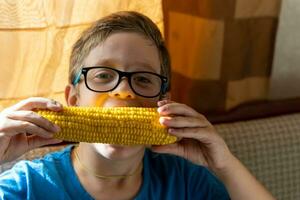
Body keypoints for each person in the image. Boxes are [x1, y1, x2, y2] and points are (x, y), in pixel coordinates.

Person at [0, 11, 275, 200]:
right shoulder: (27, 186)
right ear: (73, 98)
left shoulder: (187, 183)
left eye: (143, 79)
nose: (123, 91)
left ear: (163, 101)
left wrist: (224, 164)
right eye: (104, 75)